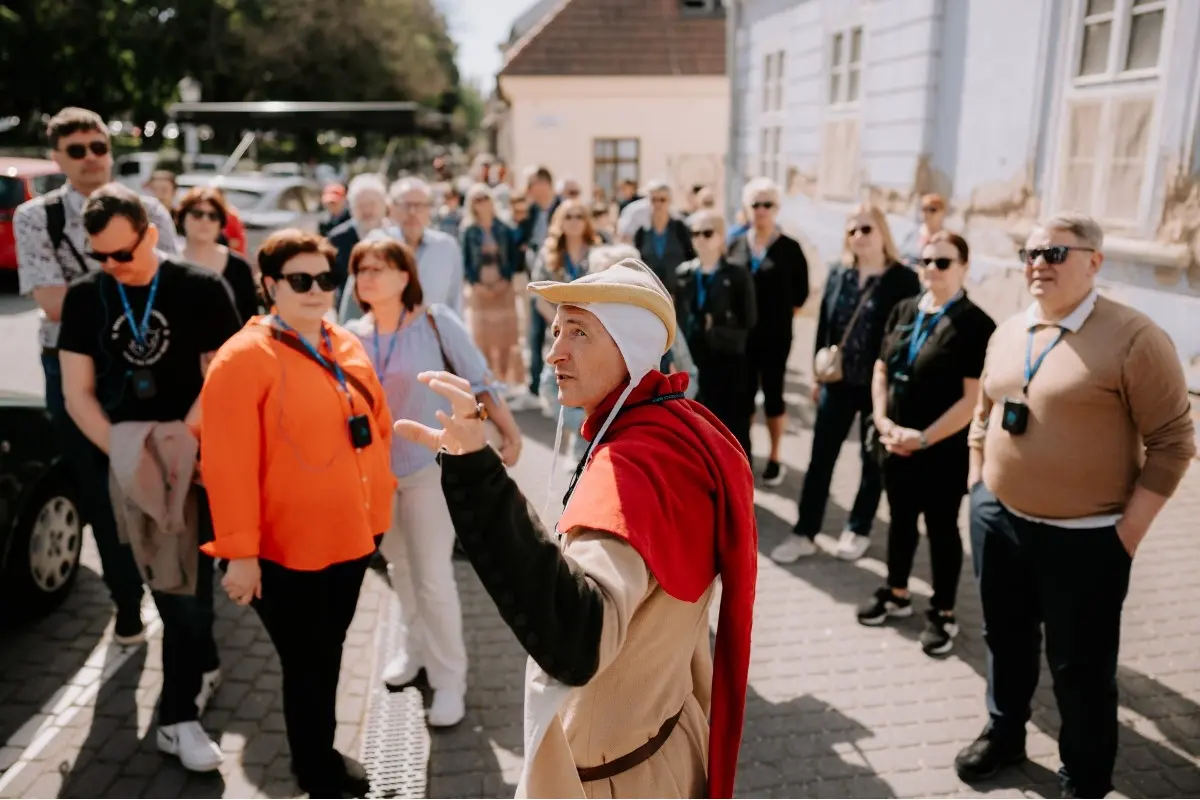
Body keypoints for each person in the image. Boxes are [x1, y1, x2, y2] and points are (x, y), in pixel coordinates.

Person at [393, 258, 757, 798]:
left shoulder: (632, 466)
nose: (553, 351)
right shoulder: (678, 428)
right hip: (667, 746)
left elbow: (579, 634)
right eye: (557, 329)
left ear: (631, 351)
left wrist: (476, 470)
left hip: (620, 782)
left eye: (579, 332)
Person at [955, 213, 1195, 797]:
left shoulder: (1136, 338)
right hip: (1001, 521)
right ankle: (1006, 733)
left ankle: (1085, 778)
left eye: (1055, 253)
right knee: (1005, 642)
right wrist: (978, 489)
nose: (1039, 263)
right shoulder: (1010, 329)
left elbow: (1173, 442)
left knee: (1080, 670)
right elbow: (985, 412)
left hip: (1088, 537)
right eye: (1030, 253)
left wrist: (1127, 533)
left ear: (1094, 261)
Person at [200, 229, 395, 797]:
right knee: (307, 663)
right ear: (268, 285)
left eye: (326, 280)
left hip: (352, 537)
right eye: (300, 280)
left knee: (326, 653)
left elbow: (377, 424)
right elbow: (227, 465)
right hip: (287, 550)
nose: (316, 290)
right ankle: (316, 768)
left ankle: (318, 756)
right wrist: (239, 554)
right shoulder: (243, 358)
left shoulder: (343, 341)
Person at [58, 183, 242, 772]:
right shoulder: (87, 298)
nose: (113, 266)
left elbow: (222, 380)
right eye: (101, 257)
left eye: (124, 253)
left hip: (194, 458)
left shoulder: (201, 288)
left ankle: (177, 717)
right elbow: (77, 392)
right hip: (120, 459)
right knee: (171, 587)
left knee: (186, 591)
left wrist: (179, 444)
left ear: (152, 235)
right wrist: (127, 450)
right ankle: (201, 667)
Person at [14, 107, 179, 643]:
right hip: (71, 368)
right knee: (96, 489)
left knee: (156, 480)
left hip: (147, 365)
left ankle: (172, 593)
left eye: (98, 147)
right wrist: (131, 287)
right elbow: (50, 302)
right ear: (57, 158)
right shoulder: (37, 217)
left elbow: (172, 292)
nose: (91, 159)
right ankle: (125, 601)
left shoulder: (150, 207)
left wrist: (93, 297)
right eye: (77, 150)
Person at [344, 236, 522, 728]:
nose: (369, 277)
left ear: (406, 276)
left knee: (434, 576)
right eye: (362, 269)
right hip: (376, 477)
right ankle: (415, 647)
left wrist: (508, 432)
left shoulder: (436, 322)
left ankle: (449, 681)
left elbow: (479, 379)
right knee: (400, 569)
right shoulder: (348, 335)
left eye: (381, 267)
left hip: (429, 469)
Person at [857, 231, 995, 657]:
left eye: (942, 262)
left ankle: (943, 612)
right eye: (925, 261)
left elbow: (973, 399)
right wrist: (882, 421)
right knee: (899, 519)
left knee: (940, 529)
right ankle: (897, 593)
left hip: (941, 449)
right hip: (894, 442)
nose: (930, 270)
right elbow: (881, 369)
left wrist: (924, 438)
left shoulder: (976, 324)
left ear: (964, 267)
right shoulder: (904, 309)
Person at [772, 204, 920, 564]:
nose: (858, 237)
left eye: (866, 229)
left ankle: (858, 527)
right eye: (852, 231)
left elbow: (907, 335)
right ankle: (805, 531)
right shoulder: (839, 273)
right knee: (821, 458)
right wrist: (816, 375)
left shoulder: (903, 280)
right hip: (837, 382)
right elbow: (825, 326)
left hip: (878, 387)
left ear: (883, 232)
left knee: (872, 460)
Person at [726, 177, 809, 486]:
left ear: (776, 209)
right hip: (741, 339)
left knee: (773, 395)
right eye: (755, 204)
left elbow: (800, 295)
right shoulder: (735, 245)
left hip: (775, 338)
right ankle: (744, 453)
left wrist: (777, 319)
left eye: (767, 205)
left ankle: (775, 457)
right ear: (747, 208)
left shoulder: (790, 248)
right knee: (743, 397)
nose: (761, 210)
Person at [674, 209, 756, 457]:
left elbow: (749, 319)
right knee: (694, 426)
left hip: (729, 360)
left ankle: (739, 486)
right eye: (695, 233)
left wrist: (716, 325)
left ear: (721, 237)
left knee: (733, 428)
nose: (699, 239)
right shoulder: (684, 273)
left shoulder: (738, 274)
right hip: (693, 360)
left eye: (707, 233)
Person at [460, 183, 522, 391]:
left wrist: (505, 281)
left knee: (505, 335)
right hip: (480, 285)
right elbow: (465, 260)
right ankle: (489, 379)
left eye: (484, 198)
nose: (482, 203)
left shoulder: (503, 228)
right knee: (483, 336)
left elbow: (514, 258)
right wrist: (475, 285)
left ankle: (504, 378)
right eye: (476, 199)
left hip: (503, 284)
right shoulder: (468, 230)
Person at [177, 186, 260, 321]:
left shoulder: (239, 267)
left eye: (213, 216)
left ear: (221, 223)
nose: (205, 220)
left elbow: (250, 321)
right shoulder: (167, 263)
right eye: (197, 214)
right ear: (182, 217)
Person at [632, 180, 694, 298]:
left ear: (669, 201)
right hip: (649, 295)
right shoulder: (641, 232)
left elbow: (691, 257)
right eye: (653, 200)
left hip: (678, 295)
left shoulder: (680, 228)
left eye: (662, 200)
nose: (658, 204)